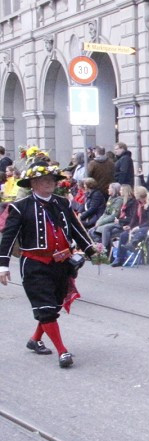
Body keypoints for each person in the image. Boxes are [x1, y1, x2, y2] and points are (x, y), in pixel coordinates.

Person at [0, 152, 102, 368]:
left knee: (52, 306)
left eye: (52, 180)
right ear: (34, 183)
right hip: (35, 265)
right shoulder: (20, 207)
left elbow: (76, 229)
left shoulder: (62, 203)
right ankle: (62, 352)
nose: (49, 184)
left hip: (61, 264)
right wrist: (2, 265)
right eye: (44, 180)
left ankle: (35, 339)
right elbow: (8, 237)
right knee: (45, 308)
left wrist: (91, 251)